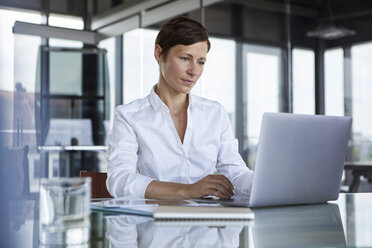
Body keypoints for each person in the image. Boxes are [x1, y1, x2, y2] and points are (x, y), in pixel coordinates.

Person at [107, 16, 253, 200]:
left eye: (201, 62)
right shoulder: (129, 116)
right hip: (153, 225)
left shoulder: (215, 114)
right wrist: (187, 190)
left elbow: (236, 175)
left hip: (206, 225)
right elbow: (120, 180)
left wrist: (267, 182)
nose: (194, 71)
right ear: (159, 54)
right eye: (185, 58)